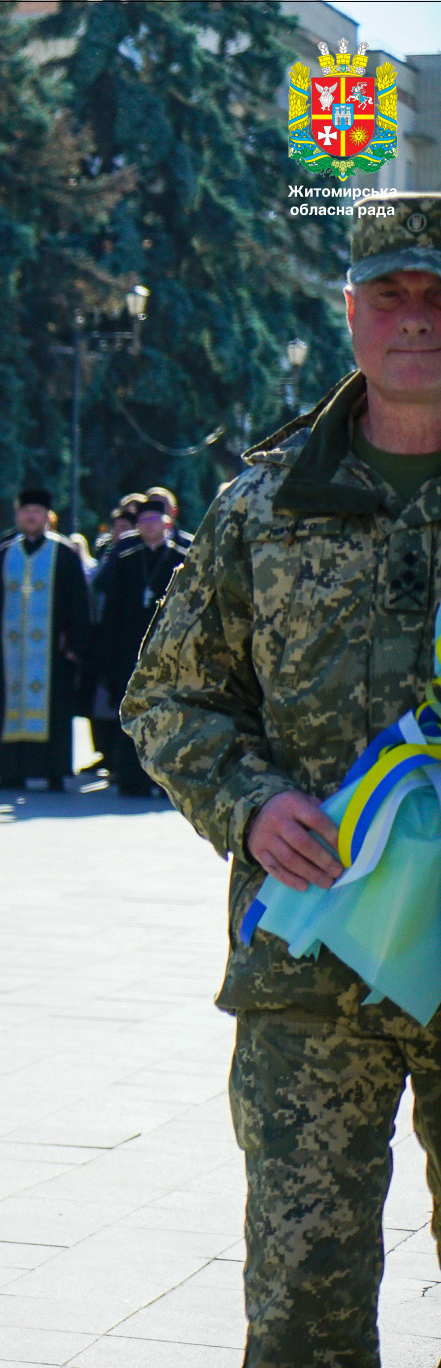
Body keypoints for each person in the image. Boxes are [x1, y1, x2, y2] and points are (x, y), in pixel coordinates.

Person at [123, 190, 440, 1368]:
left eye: (438, 297)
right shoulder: (259, 506)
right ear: (349, 314)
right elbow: (167, 697)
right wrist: (251, 807)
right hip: (312, 957)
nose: (416, 320)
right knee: (303, 1306)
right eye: (390, 296)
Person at [0, 489, 90, 791]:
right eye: (25, 511)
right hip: (12, 650)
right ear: (18, 515)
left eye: (37, 511)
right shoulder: (4, 553)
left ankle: (54, 769)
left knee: (55, 708)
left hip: (53, 650)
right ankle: (10, 770)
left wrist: (74, 642)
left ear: (48, 517)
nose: (31, 516)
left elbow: (78, 603)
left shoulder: (63, 554)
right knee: (9, 704)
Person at [90, 495, 187, 798]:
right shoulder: (125, 559)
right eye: (142, 520)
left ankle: (167, 778)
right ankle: (131, 776)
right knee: (132, 712)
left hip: (170, 651)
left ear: (167, 523)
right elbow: (110, 613)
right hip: (128, 649)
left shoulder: (182, 559)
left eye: (154, 520)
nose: (148, 526)